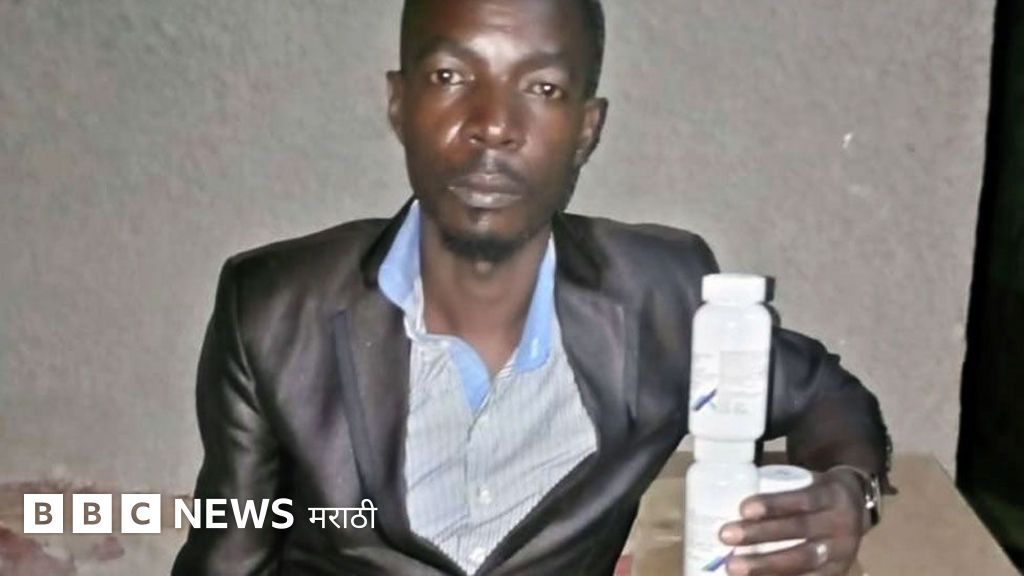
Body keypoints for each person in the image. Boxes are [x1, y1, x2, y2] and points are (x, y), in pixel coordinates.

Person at [172, 0, 890, 574]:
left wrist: (848, 491)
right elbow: (232, 546)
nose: (492, 126)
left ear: (586, 130)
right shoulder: (272, 310)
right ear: (398, 104)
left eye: (542, 88)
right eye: (450, 76)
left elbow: (825, 395)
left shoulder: (660, 297)